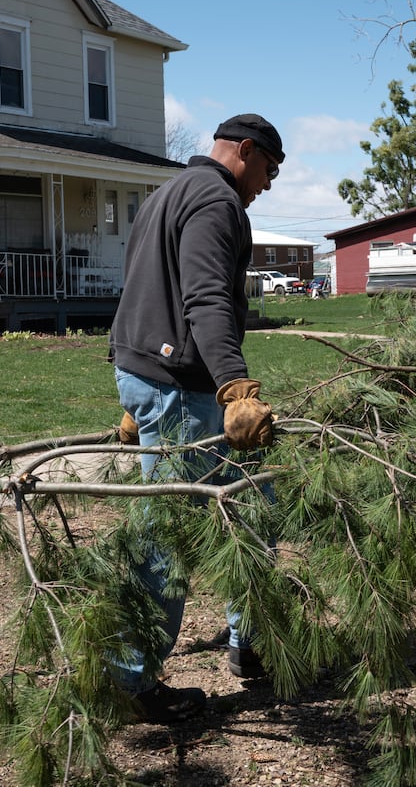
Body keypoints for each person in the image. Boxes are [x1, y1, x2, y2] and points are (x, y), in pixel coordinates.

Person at [108, 113, 282, 722]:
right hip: (181, 387)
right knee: (168, 538)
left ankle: (250, 639)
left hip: (145, 372)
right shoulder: (216, 201)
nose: (268, 182)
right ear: (245, 150)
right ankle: (131, 684)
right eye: (270, 167)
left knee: (254, 500)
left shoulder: (164, 194)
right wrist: (234, 386)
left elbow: (137, 288)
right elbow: (204, 296)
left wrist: (133, 399)